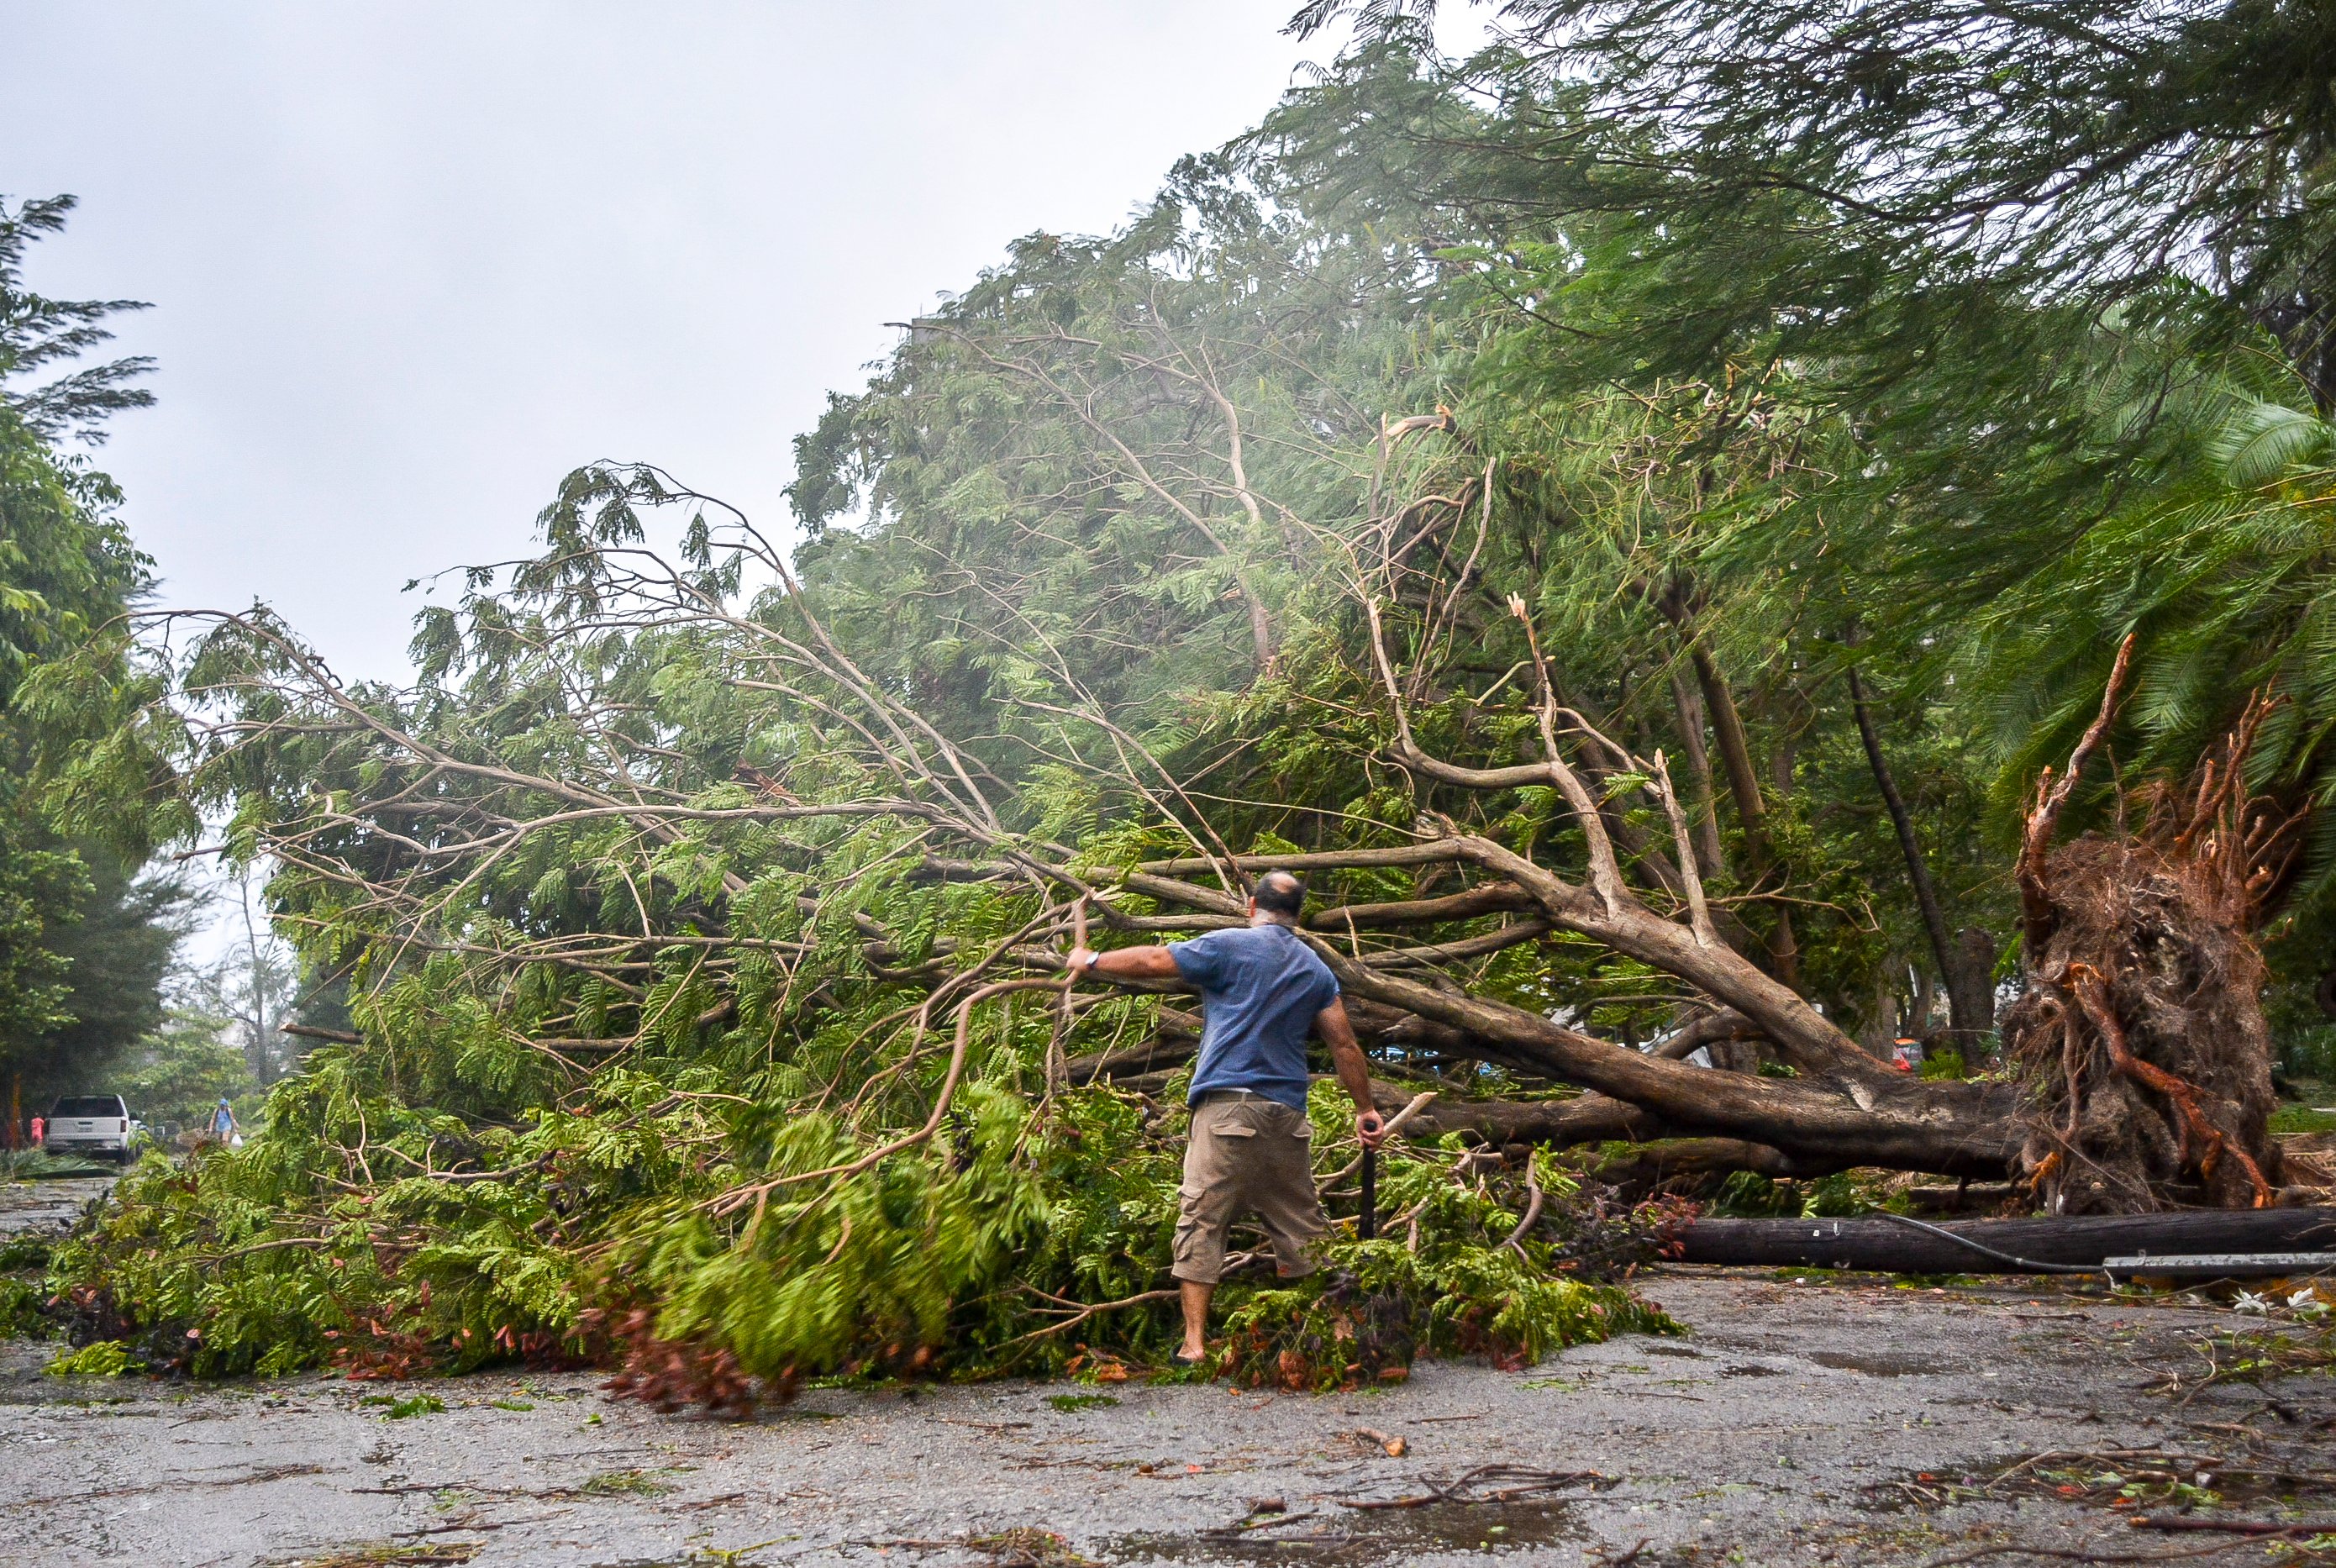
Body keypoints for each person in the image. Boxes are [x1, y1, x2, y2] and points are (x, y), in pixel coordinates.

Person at [1064, 868, 1386, 1365]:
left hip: (1228, 1108)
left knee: (1203, 1219)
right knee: (1303, 1227)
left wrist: (1092, 958)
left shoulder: (1231, 944)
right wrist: (1366, 1109)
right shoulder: (1315, 968)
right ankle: (1343, 1333)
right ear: (1298, 917)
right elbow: (1343, 1043)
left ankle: (1194, 1345)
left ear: (1251, 907)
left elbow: (1155, 959)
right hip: (1286, 1115)